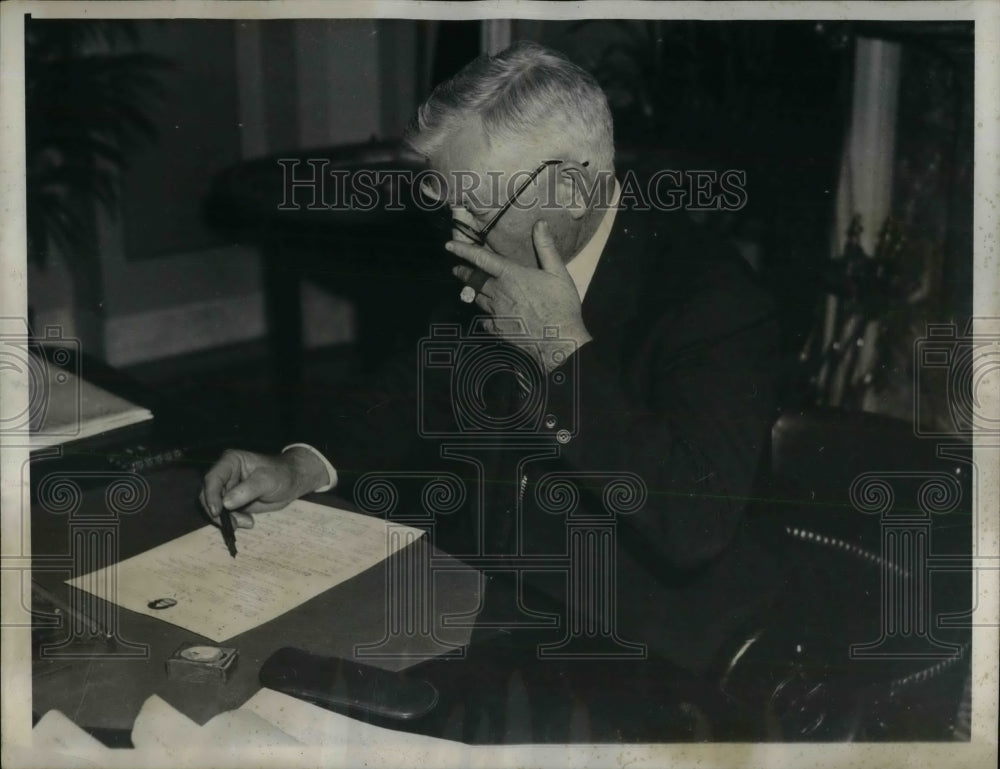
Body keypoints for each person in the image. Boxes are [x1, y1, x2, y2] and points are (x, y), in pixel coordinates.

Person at [200, 41, 780, 680]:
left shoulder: (714, 299)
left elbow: (693, 525)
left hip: (645, 650)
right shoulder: (498, 246)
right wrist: (299, 466)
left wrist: (561, 351)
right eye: (449, 203)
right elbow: (413, 385)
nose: (458, 233)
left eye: (479, 207)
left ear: (576, 187)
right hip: (497, 615)